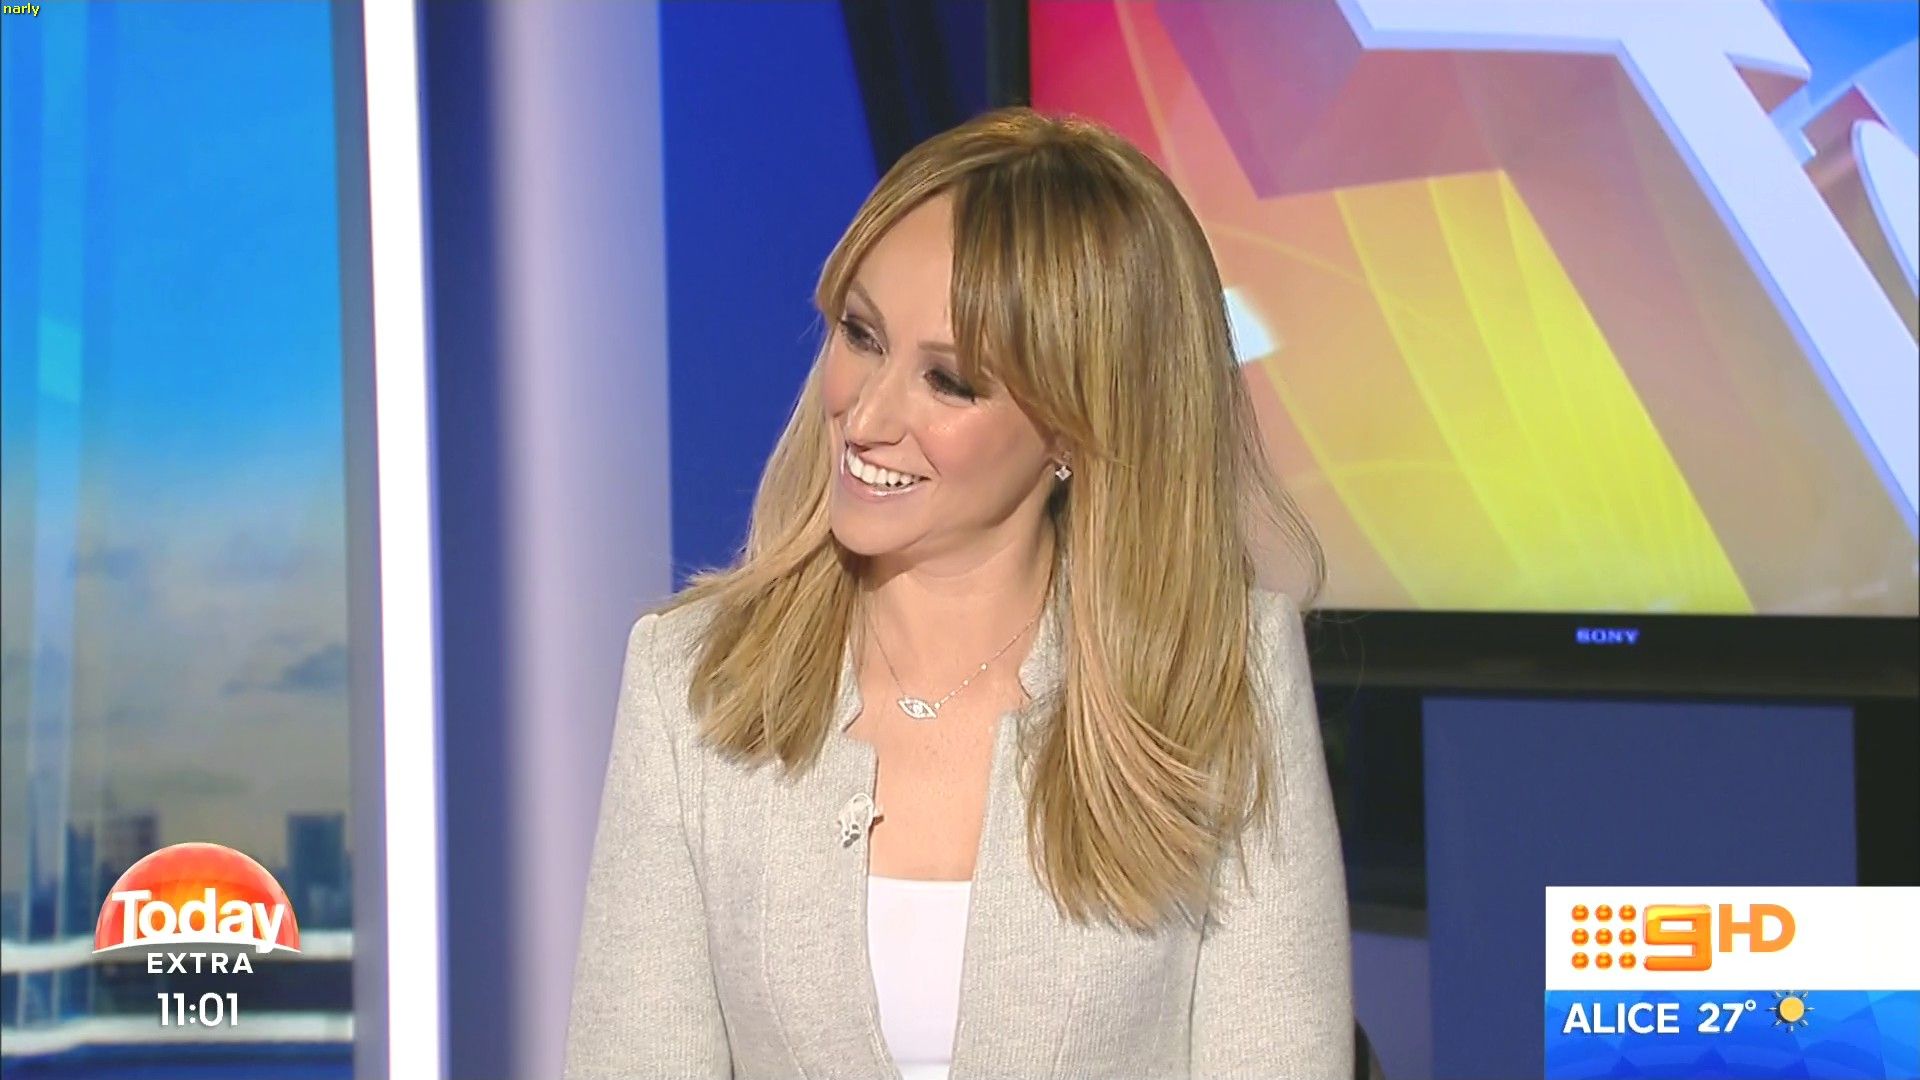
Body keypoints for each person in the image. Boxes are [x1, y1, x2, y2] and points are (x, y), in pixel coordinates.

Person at [563, 106, 1352, 1080]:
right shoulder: (690, 682)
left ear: (1076, 428)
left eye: (950, 382)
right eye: (861, 335)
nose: (867, 414)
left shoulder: (1223, 679)